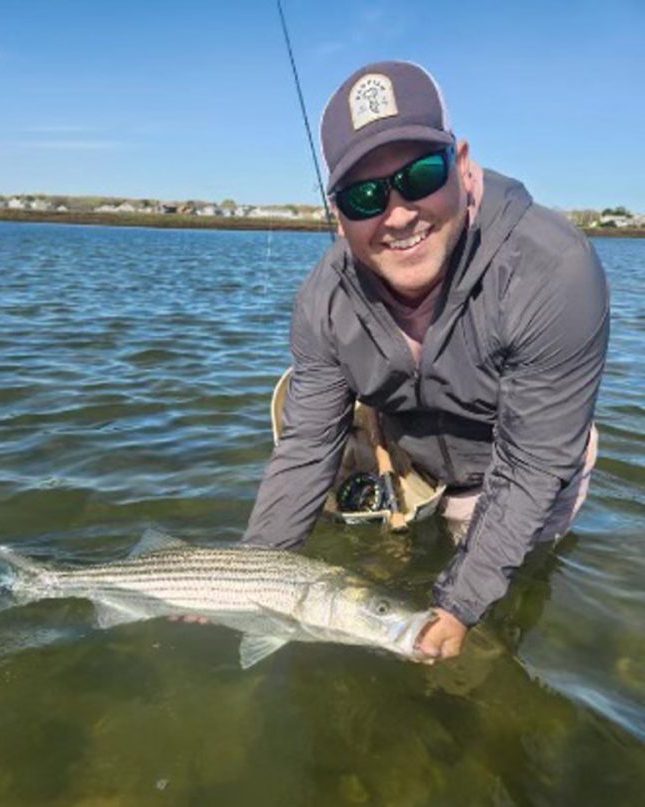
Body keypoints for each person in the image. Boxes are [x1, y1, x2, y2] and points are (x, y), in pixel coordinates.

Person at [242, 61, 609, 661]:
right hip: (410, 450)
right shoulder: (322, 300)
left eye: (420, 175)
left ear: (464, 168)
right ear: (339, 215)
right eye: (364, 196)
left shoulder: (552, 270)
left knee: (495, 626)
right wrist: (244, 573)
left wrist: (461, 606)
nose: (398, 214)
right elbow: (308, 446)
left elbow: (532, 462)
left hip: (522, 460)